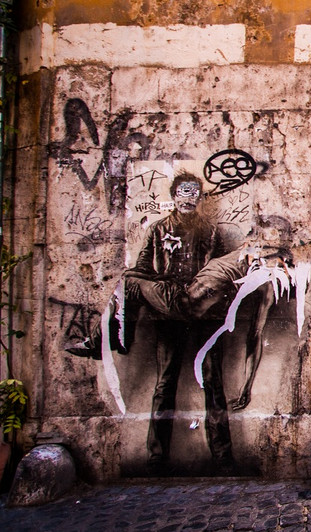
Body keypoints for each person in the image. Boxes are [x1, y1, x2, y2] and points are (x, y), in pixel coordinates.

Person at [122, 172, 238, 472]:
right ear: (174, 196)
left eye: (194, 193)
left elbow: (223, 272)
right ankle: (157, 456)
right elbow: (143, 268)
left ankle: (223, 456)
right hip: (168, 315)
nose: (189, 198)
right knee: (165, 382)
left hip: (205, 316)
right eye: (183, 192)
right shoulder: (158, 230)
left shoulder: (211, 232)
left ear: (200, 198)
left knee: (213, 382)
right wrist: (159, 291)